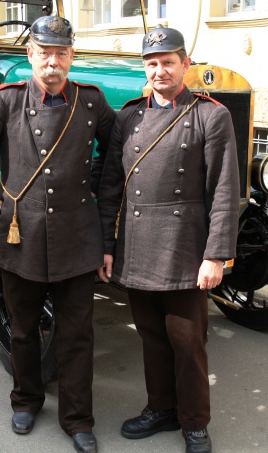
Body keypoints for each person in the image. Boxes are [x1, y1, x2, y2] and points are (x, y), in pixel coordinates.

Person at [0, 15, 116, 453]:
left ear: (72, 57)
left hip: (77, 236)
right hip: (19, 235)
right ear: (31, 56)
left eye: (60, 53)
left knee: (77, 334)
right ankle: (25, 400)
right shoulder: (5, 101)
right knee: (22, 329)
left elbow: (115, 153)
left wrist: (93, 185)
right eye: (44, 53)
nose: (52, 62)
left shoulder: (91, 102)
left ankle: (77, 420)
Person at [97, 26, 240, 453]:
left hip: (184, 250)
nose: (160, 70)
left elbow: (224, 191)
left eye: (168, 62)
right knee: (152, 337)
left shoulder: (210, 115)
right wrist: (107, 245)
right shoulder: (129, 116)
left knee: (188, 343)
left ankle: (194, 423)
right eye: (152, 63)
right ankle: (160, 408)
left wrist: (216, 256)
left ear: (185, 64)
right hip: (137, 248)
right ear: (146, 67)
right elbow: (110, 188)